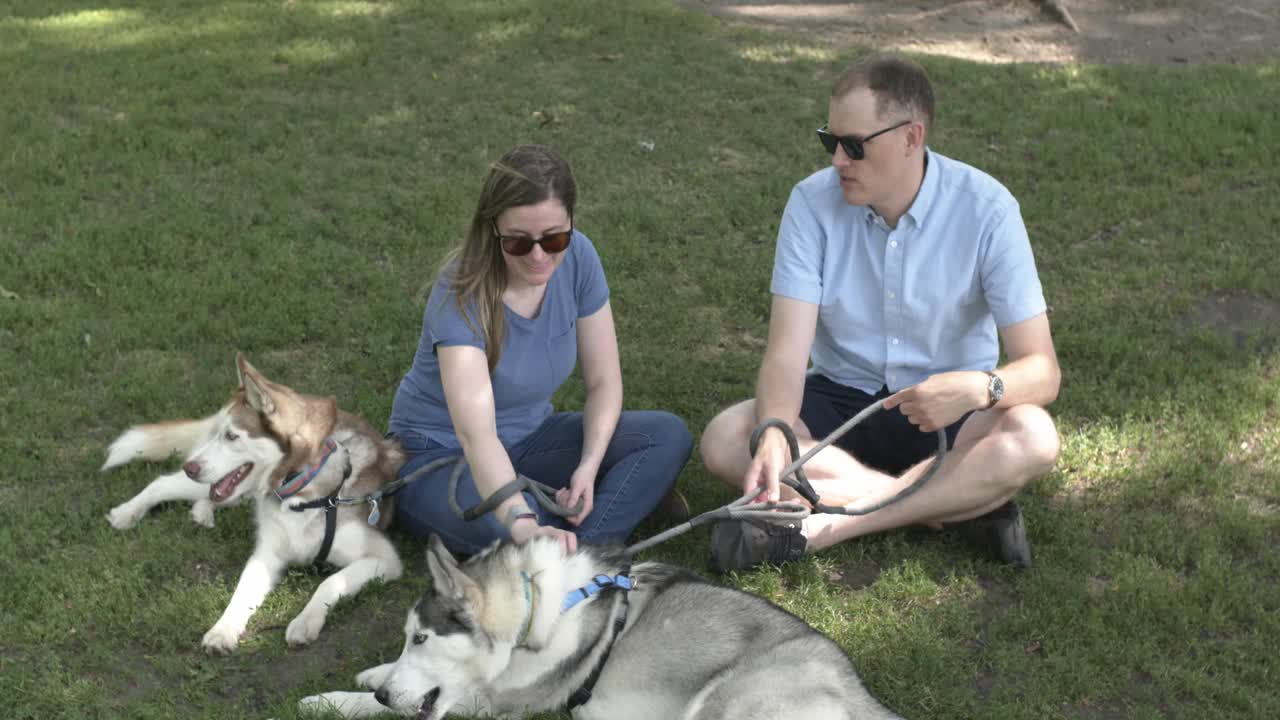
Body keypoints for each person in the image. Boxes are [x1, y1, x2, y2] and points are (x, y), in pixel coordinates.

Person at [700, 54, 1061, 572]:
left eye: (854, 146)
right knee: (726, 438)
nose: (837, 162)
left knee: (1034, 435)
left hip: (951, 412)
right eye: (831, 141)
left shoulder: (988, 210)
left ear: (911, 138)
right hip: (843, 400)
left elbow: (1042, 370)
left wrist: (979, 389)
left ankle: (822, 528)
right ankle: (956, 508)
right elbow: (785, 355)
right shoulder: (810, 203)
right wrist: (777, 429)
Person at [388, 144, 693, 556]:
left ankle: (572, 546)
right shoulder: (460, 289)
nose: (538, 256)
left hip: (530, 438)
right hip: (438, 454)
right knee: (503, 531)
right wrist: (522, 522)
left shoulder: (580, 257)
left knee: (665, 435)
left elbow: (604, 382)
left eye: (554, 238)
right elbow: (475, 436)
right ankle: (588, 529)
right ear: (492, 229)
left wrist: (588, 464)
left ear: (571, 222)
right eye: (518, 242)